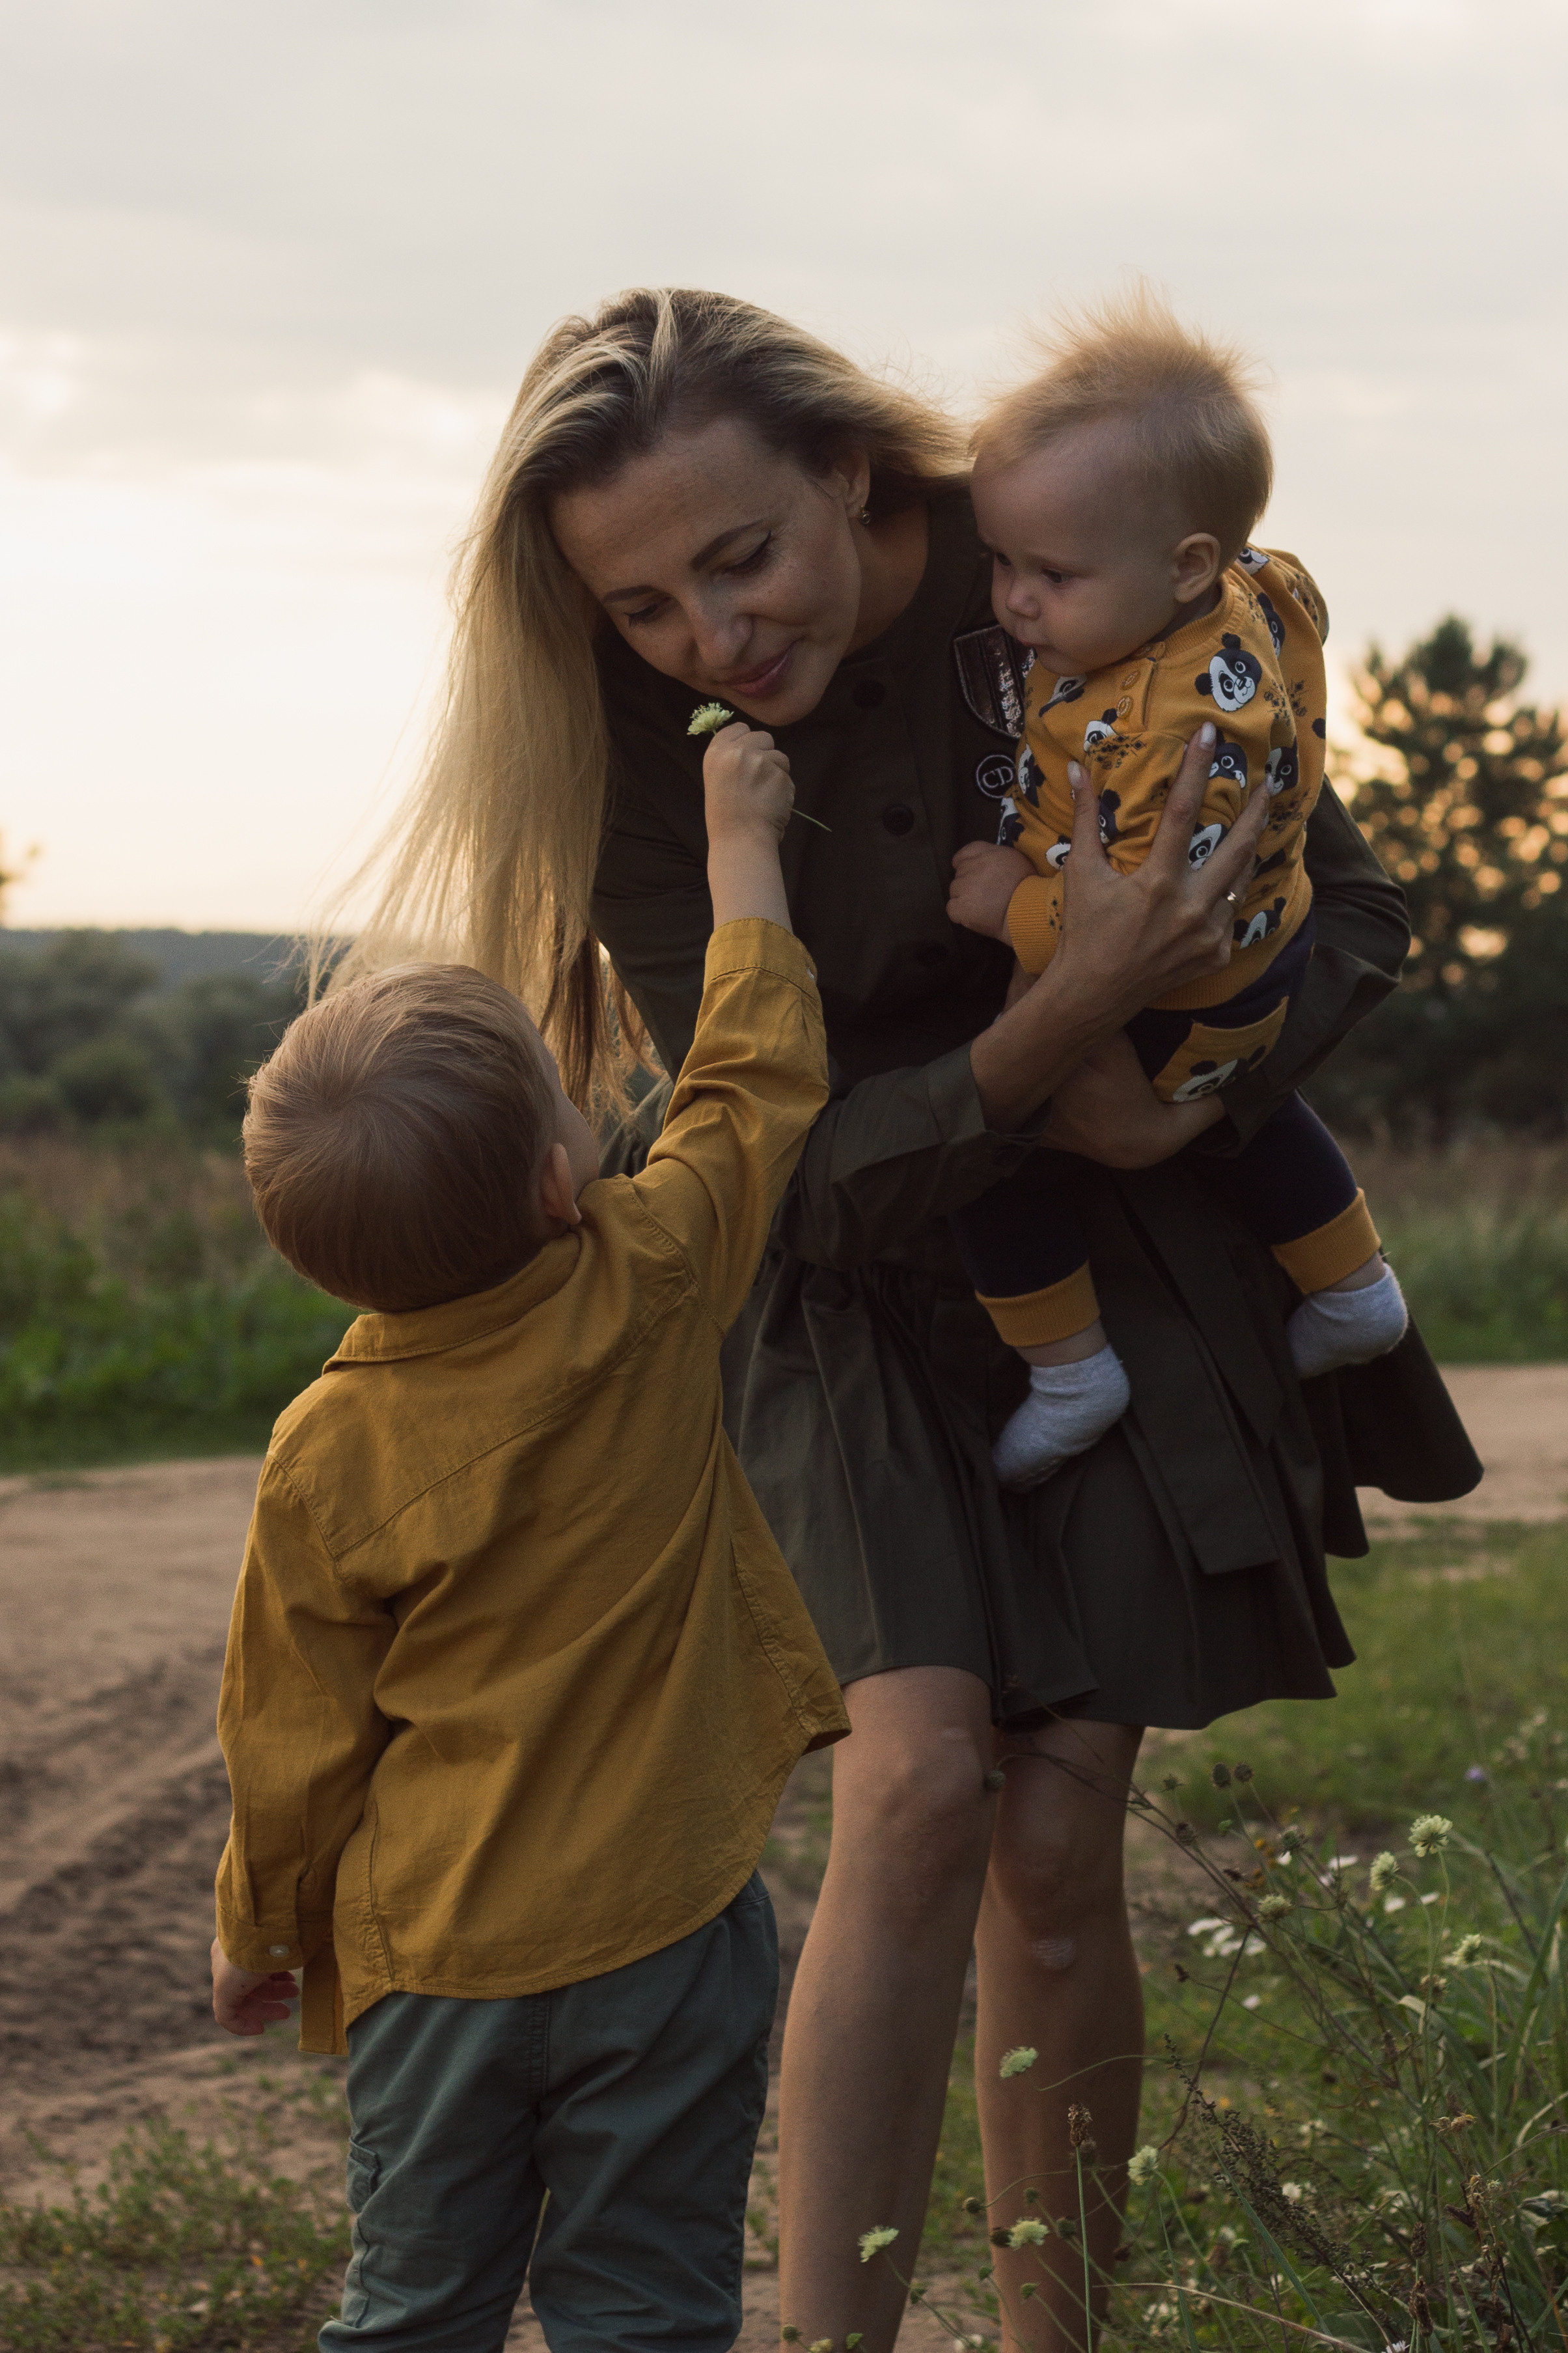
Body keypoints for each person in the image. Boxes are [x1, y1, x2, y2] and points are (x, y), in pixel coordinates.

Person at [335, 286, 1479, 2353]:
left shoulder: (1065, 547)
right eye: (646, 604)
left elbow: (1358, 902)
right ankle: (822, 2336)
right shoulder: (630, 748)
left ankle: (1060, 2337)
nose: (711, 637)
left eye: (740, 556)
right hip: (845, 1253)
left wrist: (1180, 1086)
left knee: (1058, 1828)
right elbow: (773, 1137)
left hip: (1119, 1250)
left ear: (852, 476)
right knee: (917, 1777)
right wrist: (1055, 1017)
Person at [209, 723, 849, 2353]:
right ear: (564, 1191)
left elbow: (288, 1739)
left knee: (417, 2301)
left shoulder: (323, 1451)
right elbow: (752, 1079)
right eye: (575, 1109)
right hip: (664, 1926)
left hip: (435, 1963)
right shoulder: (648, 1278)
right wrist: (741, 851)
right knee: (644, 2303)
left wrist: (259, 1929)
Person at [944, 292, 1407, 1491]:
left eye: (1051, 572)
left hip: (1178, 975)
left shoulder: (1167, 739)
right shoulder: (1256, 588)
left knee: (993, 1143)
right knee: (1244, 1120)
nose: (1012, 602)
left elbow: (1139, 918)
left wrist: (1010, 905)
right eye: (999, 559)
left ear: (1185, 562)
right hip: (1276, 946)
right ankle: (1353, 1284)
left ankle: (1069, 1367)